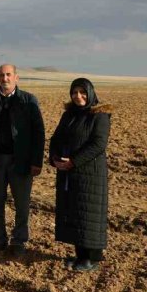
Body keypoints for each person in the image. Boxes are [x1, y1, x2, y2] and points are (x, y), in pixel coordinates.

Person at [0, 64, 45, 257]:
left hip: (21, 162)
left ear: (16, 78)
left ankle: (19, 241)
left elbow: (38, 133)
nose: (5, 78)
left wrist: (36, 161)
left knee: (22, 204)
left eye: (8, 75)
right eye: (1, 75)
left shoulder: (28, 100)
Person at [49, 78, 112, 272]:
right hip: (69, 173)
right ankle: (80, 256)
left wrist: (74, 161)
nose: (78, 96)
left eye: (82, 92)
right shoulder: (69, 115)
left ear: (90, 93)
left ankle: (92, 258)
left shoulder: (100, 115)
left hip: (89, 174)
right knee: (75, 213)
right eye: (74, 93)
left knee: (89, 214)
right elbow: (56, 138)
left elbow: (98, 144)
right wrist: (55, 158)